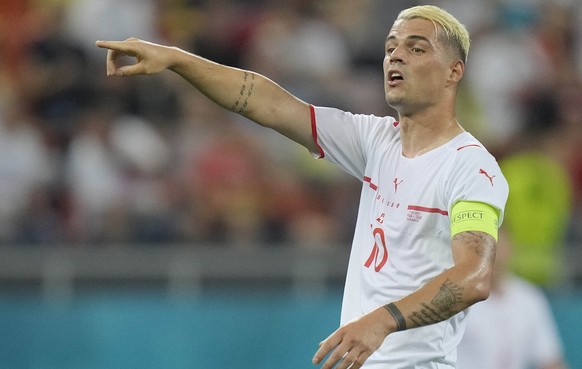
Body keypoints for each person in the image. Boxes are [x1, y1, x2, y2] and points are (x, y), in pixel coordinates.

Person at [96, 5, 509, 369]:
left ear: (455, 70)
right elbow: (268, 102)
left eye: (416, 48)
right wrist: (175, 59)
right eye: (391, 47)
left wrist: (382, 321)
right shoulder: (376, 141)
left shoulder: (471, 168)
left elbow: (473, 276)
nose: (396, 56)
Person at [457, 230, 568, 369]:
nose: (494, 257)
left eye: (498, 248)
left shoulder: (529, 298)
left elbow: (550, 360)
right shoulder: (458, 297)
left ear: (510, 248)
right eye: (487, 249)